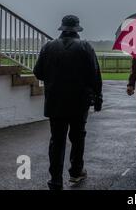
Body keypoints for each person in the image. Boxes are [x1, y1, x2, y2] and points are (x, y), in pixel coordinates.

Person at [33, 15, 103, 190]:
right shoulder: (85, 47)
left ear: (62, 28)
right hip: (79, 101)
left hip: (55, 100)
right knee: (78, 137)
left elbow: (38, 72)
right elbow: (95, 76)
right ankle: (76, 172)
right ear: (77, 30)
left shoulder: (48, 47)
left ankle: (55, 180)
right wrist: (98, 97)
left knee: (57, 140)